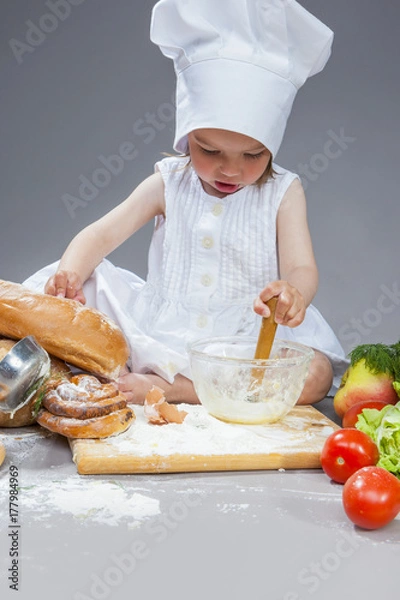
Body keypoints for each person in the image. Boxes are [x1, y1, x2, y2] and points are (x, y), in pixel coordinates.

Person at [23, 0, 348, 405]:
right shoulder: (169, 182)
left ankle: (178, 389)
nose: (230, 170)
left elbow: (301, 266)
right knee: (67, 283)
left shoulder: (283, 191)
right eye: (209, 150)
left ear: (271, 147)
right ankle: (153, 372)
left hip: (244, 339)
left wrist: (295, 292)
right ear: (186, 136)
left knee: (315, 375)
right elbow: (102, 234)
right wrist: (69, 273)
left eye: (252, 156)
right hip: (161, 328)